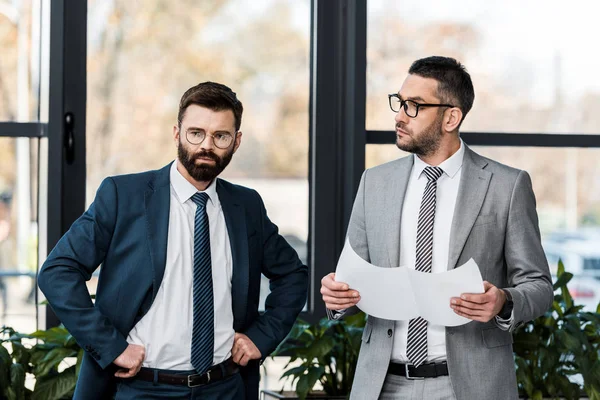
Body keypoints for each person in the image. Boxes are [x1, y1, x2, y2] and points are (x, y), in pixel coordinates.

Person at [39, 82, 308, 400]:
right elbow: (58, 271)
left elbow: (292, 275)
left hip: (225, 388)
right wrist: (112, 347)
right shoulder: (123, 196)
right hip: (141, 389)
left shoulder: (246, 206)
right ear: (177, 133)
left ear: (236, 142)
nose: (206, 145)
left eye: (220, 136)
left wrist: (261, 336)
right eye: (196, 133)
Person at [320, 56, 553, 400]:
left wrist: (504, 301)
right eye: (399, 103)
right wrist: (339, 297)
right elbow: (353, 281)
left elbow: (539, 285)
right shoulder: (374, 182)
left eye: (414, 106)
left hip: (470, 385)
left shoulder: (507, 185)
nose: (400, 115)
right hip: (382, 383)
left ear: (451, 117)